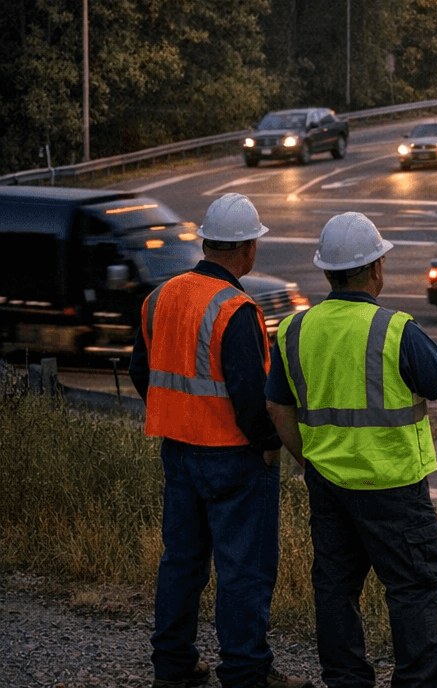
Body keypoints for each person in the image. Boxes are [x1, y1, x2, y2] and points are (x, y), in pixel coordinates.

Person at [266, 211, 437, 688]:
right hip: (394, 486)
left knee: (336, 588)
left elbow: (279, 411)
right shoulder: (394, 329)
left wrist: (312, 461)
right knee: (413, 588)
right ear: (376, 268)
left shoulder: (296, 330)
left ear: (327, 272)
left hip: (329, 488)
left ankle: (346, 680)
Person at [130, 193, 311, 688]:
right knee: (244, 570)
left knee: (182, 561)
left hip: (178, 451)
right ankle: (247, 671)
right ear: (248, 249)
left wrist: (178, 415)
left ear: (207, 242)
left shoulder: (159, 297)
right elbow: (251, 397)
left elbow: (140, 373)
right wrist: (268, 444)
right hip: (233, 459)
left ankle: (173, 665)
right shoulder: (236, 308)